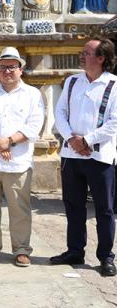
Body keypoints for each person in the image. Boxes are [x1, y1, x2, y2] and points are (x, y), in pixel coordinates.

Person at [0, 47, 44, 267]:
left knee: (19, 207)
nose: (7, 71)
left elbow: (34, 125)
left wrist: (9, 141)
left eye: (12, 67)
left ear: (21, 70)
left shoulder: (32, 94)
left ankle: (21, 249)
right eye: (3, 67)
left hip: (17, 161)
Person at [51, 38, 117, 277]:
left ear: (101, 58)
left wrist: (87, 140)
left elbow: (114, 122)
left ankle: (106, 257)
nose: (82, 55)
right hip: (71, 154)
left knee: (104, 209)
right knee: (73, 205)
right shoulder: (71, 82)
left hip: (99, 157)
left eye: (87, 52)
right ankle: (75, 250)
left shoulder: (113, 85)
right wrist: (72, 139)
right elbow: (60, 113)